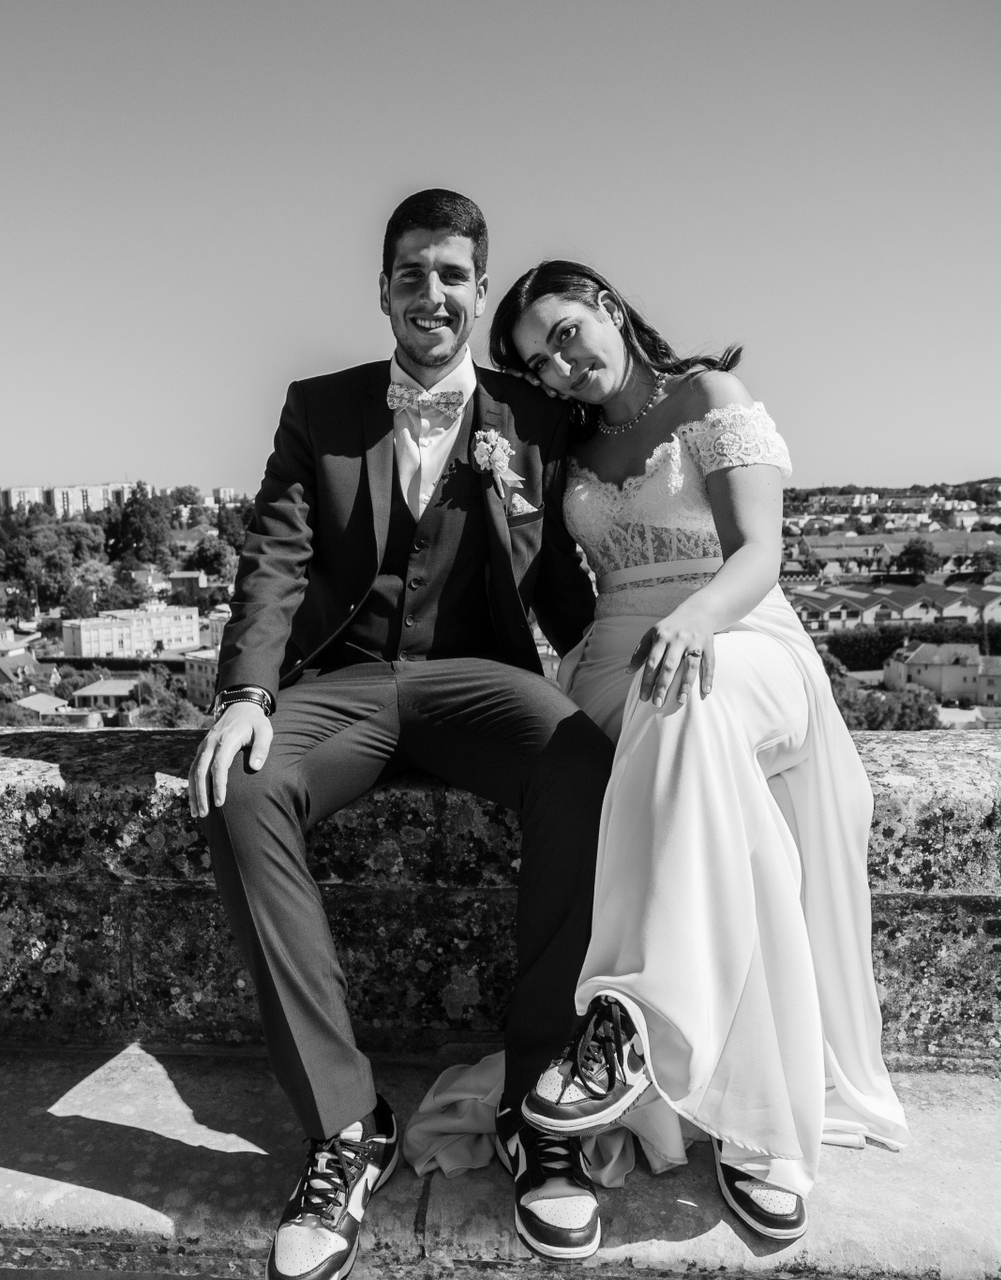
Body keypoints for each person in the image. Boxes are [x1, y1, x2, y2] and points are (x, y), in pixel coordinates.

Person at [187, 193, 618, 1275]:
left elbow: (565, 592)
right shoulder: (319, 407)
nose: (433, 294)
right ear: (383, 289)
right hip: (344, 681)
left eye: (453, 275)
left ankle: (538, 1102)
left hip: (480, 681)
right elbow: (276, 558)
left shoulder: (533, 414)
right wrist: (246, 692)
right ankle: (346, 1124)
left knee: (584, 768)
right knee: (239, 787)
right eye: (412, 273)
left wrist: (650, 657)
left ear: (481, 289)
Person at [476, 260, 912, 1240]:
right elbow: (556, 587)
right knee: (697, 780)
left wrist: (700, 618)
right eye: (539, 362)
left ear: (607, 306)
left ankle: (633, 1019)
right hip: (612, 660)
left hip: (742, 634)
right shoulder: (569, 448)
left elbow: (760, 551)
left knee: (685, 704)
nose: (560, 366)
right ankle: (755, 1121)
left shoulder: (709, 396)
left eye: (565, 333)